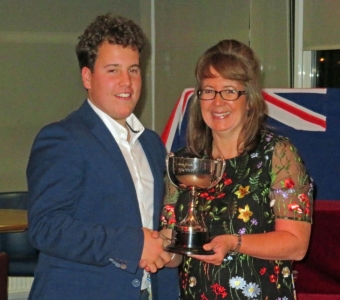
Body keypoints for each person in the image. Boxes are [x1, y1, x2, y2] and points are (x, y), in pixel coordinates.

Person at [26, 13, 179, 300]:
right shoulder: (63, 139)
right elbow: (46, 227)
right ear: (87, 76)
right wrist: (133, 245)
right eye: (113, 70)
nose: (127, 83)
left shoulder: (152, 144)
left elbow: (154, 229)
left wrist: (170, 251)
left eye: (133, 70)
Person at [160, 39, 313, 299]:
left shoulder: (278, 154)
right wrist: (159, 248)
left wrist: (233, 243)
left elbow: (297, 245)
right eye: (208, 90)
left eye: (229, 90)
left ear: (250, 99)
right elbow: (174, 252)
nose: (217, 102)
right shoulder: (185, 163)